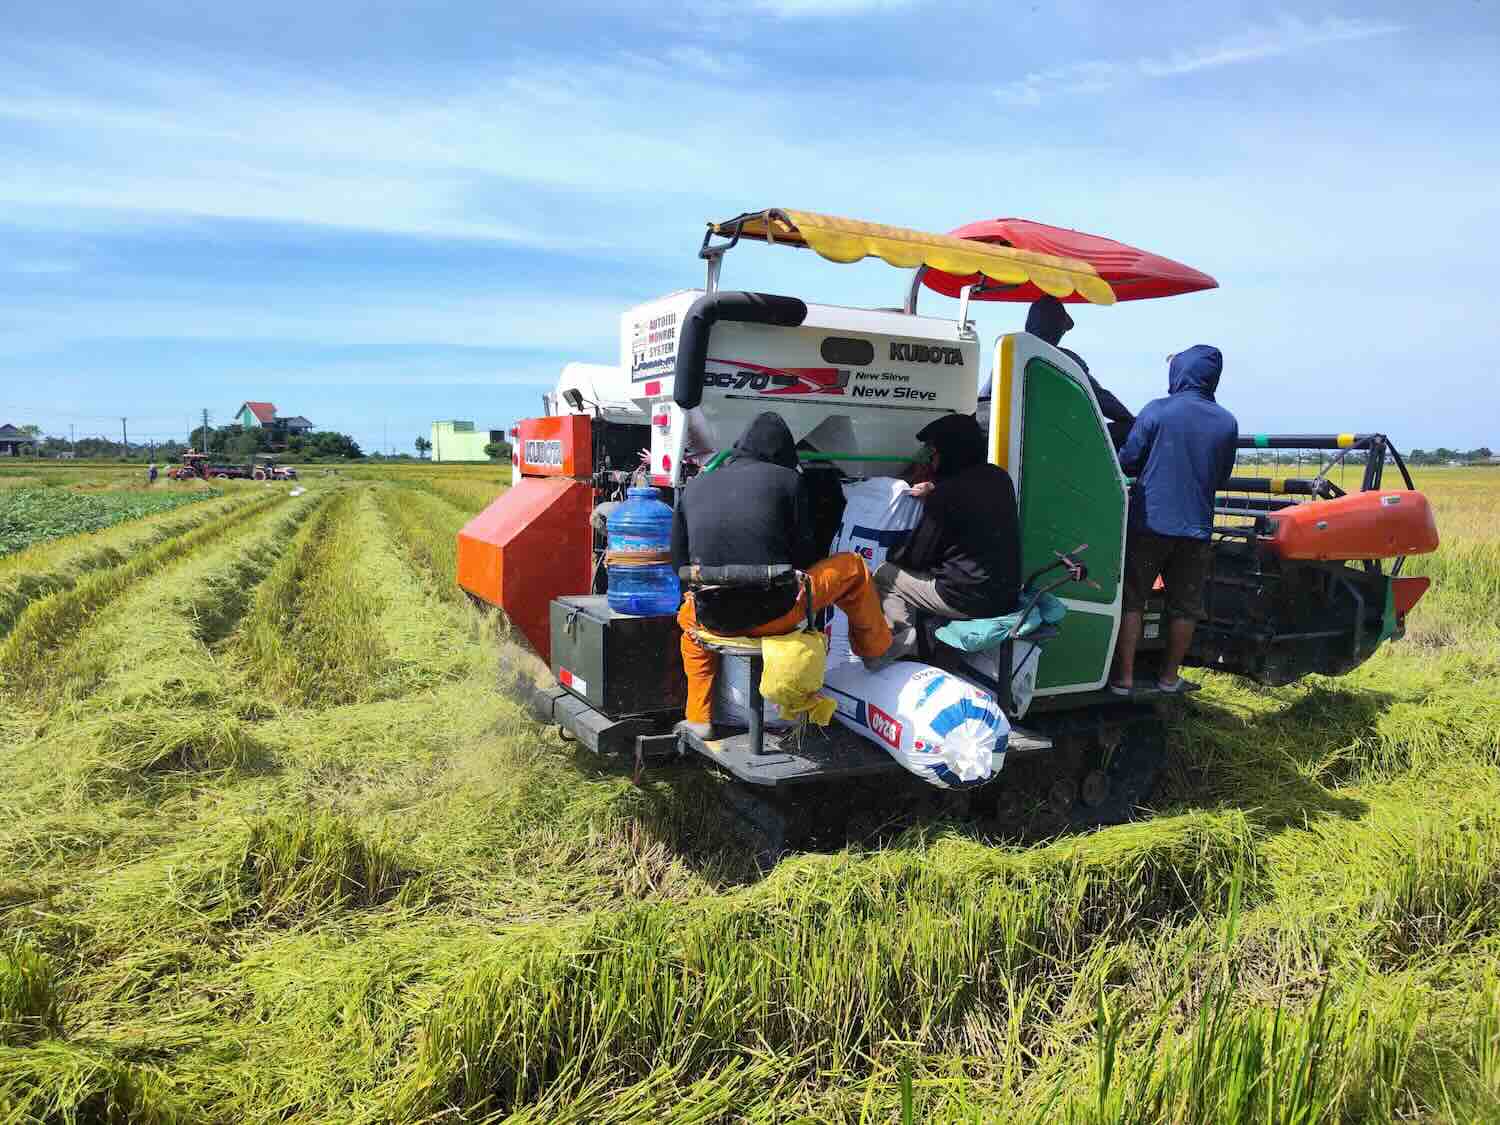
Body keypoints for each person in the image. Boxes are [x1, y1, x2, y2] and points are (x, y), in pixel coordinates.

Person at [672, 412, 892, 736]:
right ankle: (875, 651)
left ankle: (698, 718)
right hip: (777, 613)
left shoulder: (696, 485)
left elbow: (678, 560)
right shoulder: (789, 481)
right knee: (854, 568)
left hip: (714, 618)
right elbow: (805, 554)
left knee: (691, 629)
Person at [1110, 345, 1238, 695]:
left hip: (1149, 523)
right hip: (1196, 529)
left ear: (1180, 372)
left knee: (1132, 599)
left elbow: (1128, 460)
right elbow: (1222, 476)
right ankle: (1168, 678)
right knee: (1185, 607)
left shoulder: (1157, 410)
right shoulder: (1227, 422)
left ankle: (1124, 679)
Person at [873, 413, 1022, 664]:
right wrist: (935, 489)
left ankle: (904, 649)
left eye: (934, 453)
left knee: (886, 575)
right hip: (1006, 595)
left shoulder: (947, 495)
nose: (931, 460)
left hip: (968, 599)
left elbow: (915, 559)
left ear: (951, 452)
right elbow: (971, 500)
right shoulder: (999, 478)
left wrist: (892, 548)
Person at [1024, 295, 1136, 449]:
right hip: (1065, 441)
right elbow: (1100, 398)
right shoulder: (1067, 360)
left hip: (1022, 440)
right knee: (1131, 429)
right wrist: (1131, 421)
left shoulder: (1008, 357)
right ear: (1055, 328)